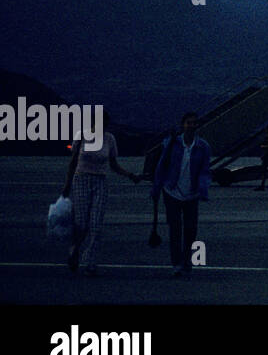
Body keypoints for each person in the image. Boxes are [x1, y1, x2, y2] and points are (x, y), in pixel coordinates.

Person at [62, 117, 139, 275]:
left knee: (96, 224)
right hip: (81, 178)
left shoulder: (109, 139)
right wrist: (67, 185)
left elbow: (113, 165)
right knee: (82, 222)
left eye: (104, 124)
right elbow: (73, 161)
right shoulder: (81, 135)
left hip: (100, 181)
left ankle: (90, 260)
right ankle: (75, 249)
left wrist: (129, 175)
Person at [150, 112, 212, 276]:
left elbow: (205, 170)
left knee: (191, 229)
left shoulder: (203, 146)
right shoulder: (171, 143)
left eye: (194, 123)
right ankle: (177, 263)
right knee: (175, 229)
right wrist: (156, 188)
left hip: (192, 194)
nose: (192, 126)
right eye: (189, 123)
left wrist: (203, 188)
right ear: (183, 125)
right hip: (172, 191)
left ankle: (187, 261)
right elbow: (162, 166)